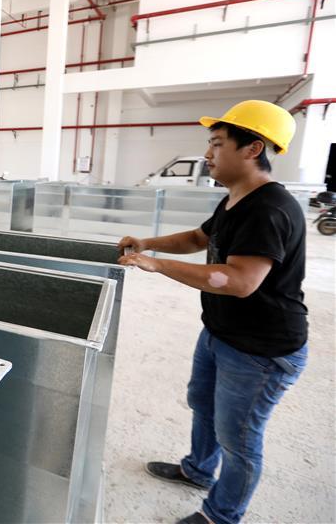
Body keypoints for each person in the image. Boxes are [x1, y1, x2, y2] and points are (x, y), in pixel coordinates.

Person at [117, 100, 308, 524]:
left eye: (218, 144)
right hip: (222, 333)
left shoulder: (269, 209)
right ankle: (198, 470)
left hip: (262, 350)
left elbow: (240, 281)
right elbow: (198, 238)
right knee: (203, 404)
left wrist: (158, 265)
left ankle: (221, 515)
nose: (208, 154)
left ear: (253, 148)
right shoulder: (236, 199)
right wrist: (149, 244)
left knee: (239, 438)